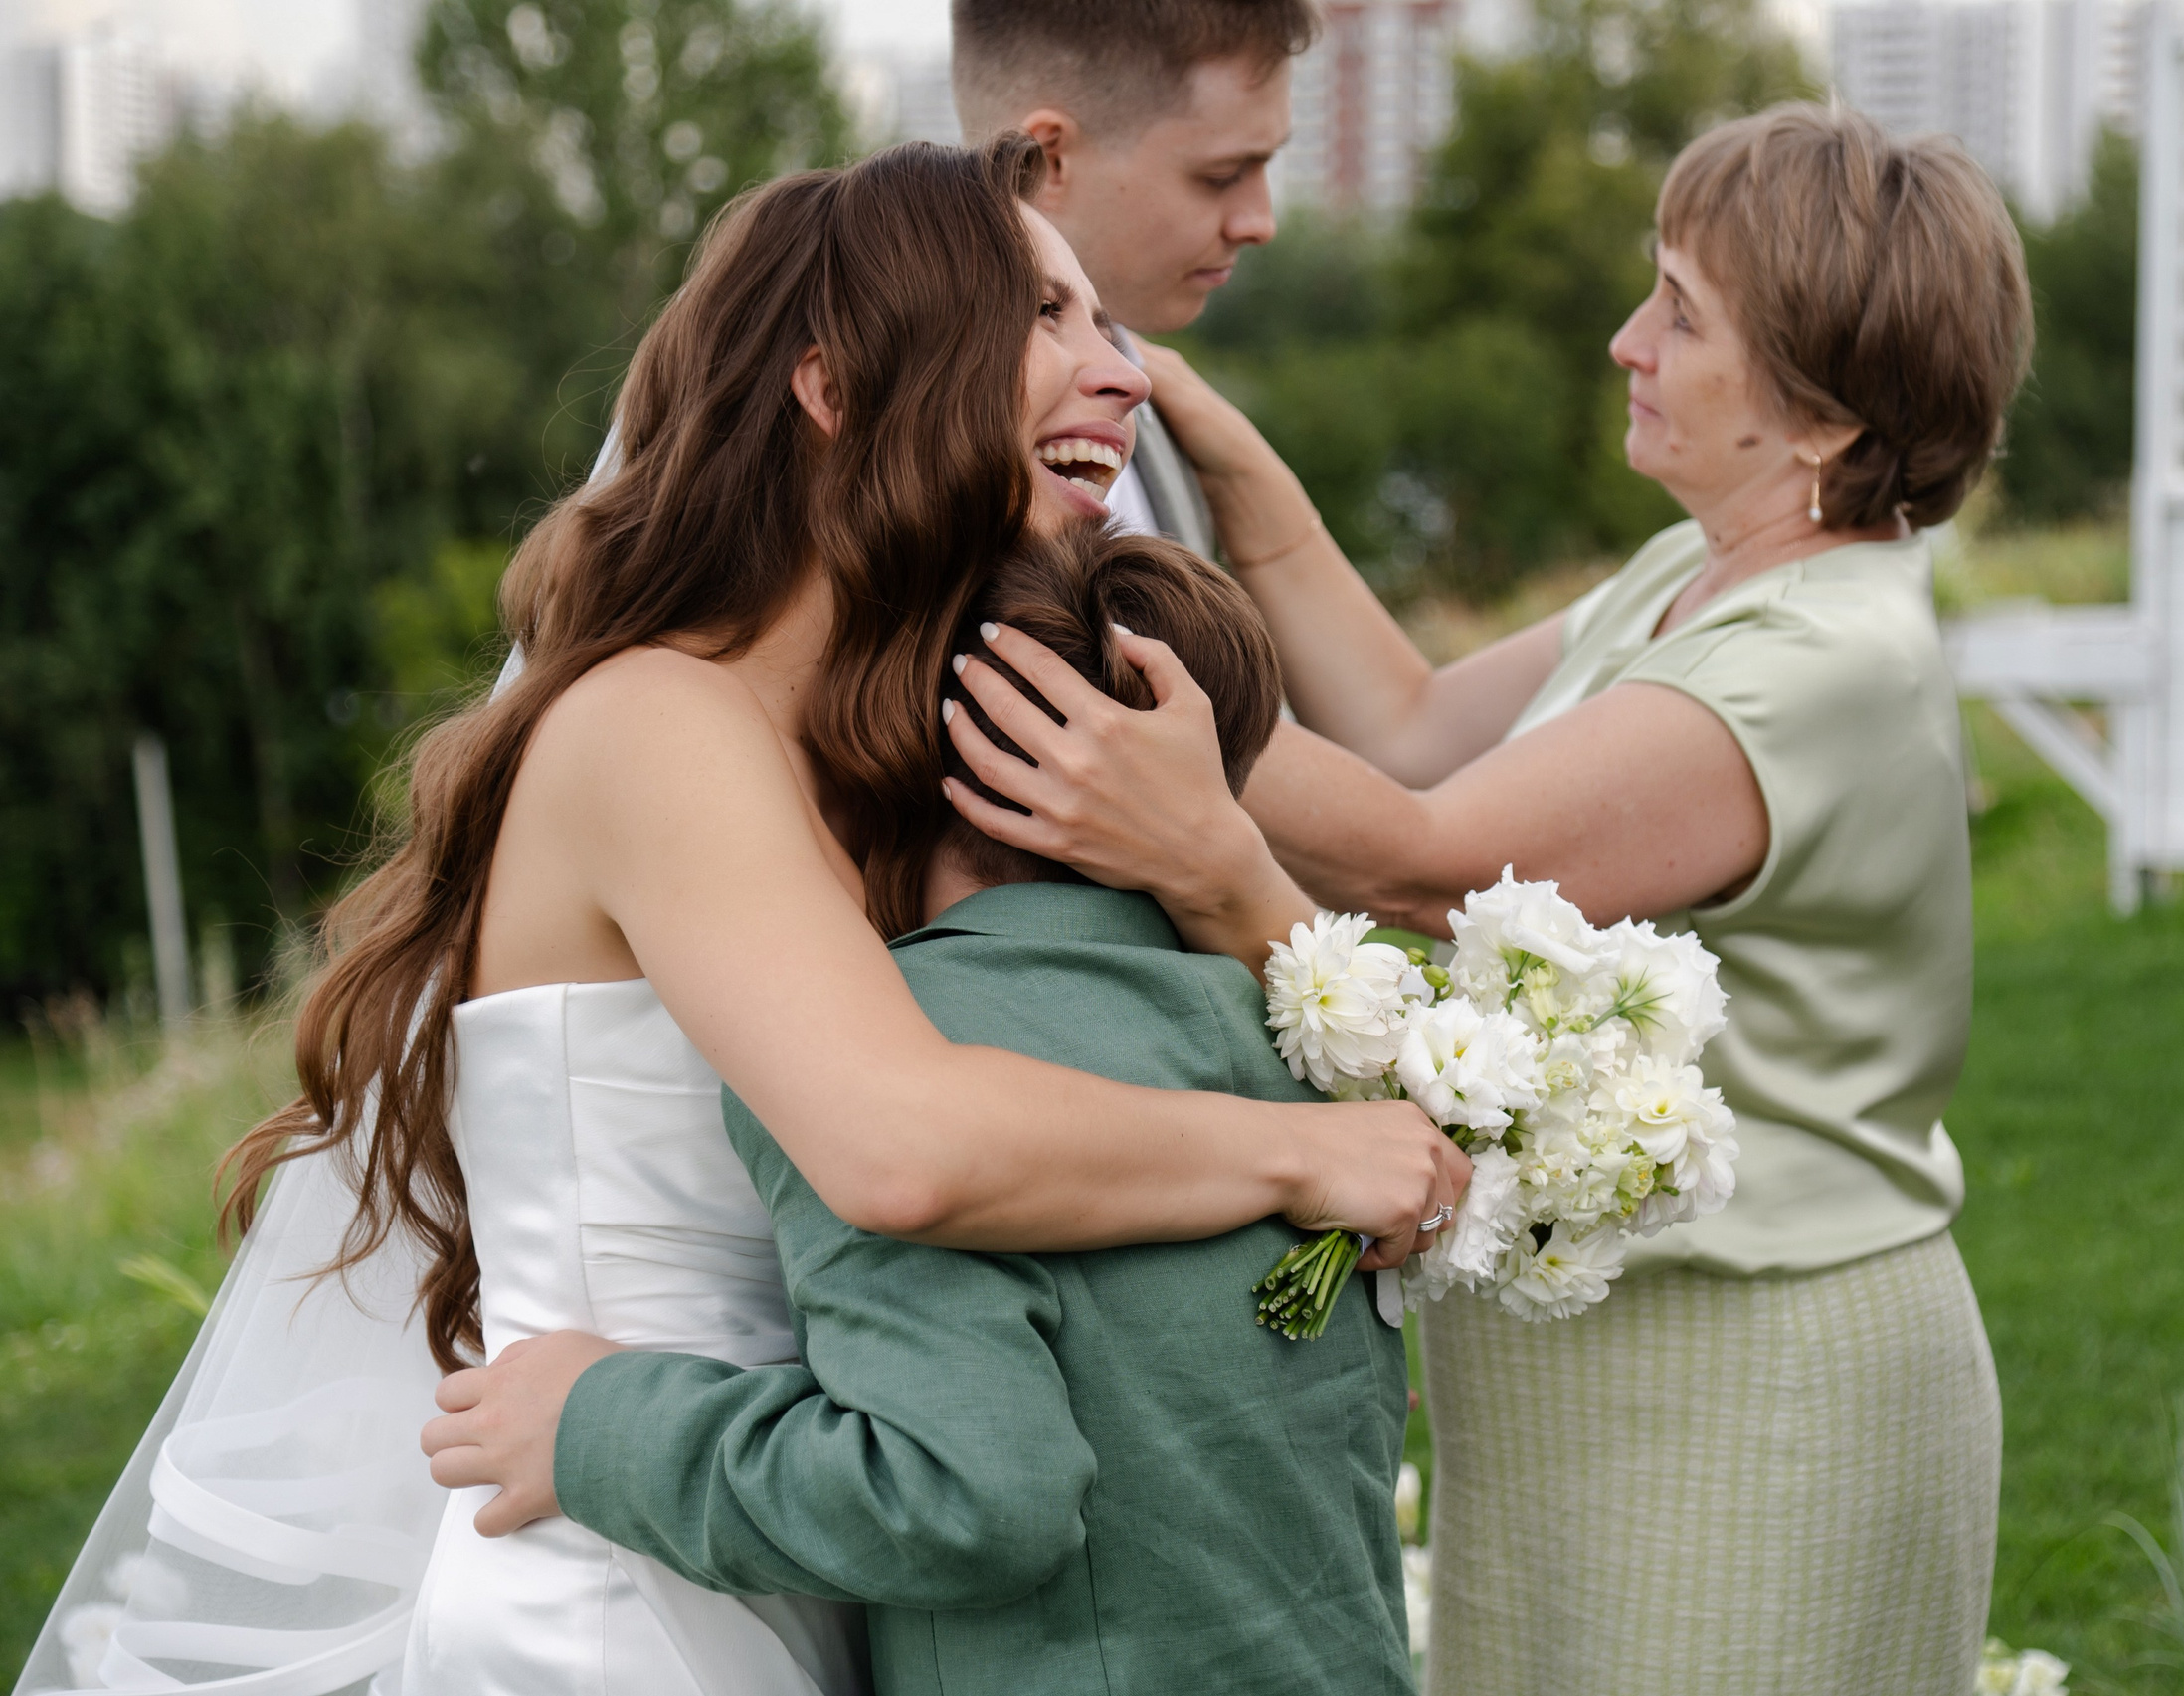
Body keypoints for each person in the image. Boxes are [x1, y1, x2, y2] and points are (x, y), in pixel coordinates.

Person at [10, 139, 1462, 1696]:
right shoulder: (658, 727)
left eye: (1108, 328)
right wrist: (1304, 1151)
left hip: (838, 1529)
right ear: (832, 388)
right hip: (631, 1578)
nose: (1120, 376)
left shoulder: (902, 763)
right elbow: (901, 1147)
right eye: (1046, 317)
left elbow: (1403, 854)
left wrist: (1220, 867)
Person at [947, 102, 2034, 1696]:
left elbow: (1415, 849)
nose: (1625, 341)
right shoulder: (1696, 577)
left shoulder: (1817, 664)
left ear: (1822, 412)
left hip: (1754, 1381)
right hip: (1595, 1379)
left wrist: (1074, 628)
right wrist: (1196, 438)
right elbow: (1406, 721)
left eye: (1680, 310)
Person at [423, 522, 1416, 1696]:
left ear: (910, 743)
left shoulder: (904, 1048)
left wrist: (606, 1428)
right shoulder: (1317, 1048)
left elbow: (972, 1496)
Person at [951, 0, 1315, 555]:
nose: (1260, 223)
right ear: (1050, 157)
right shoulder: (911, 442)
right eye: (1221, 175)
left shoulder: (1161, 412)